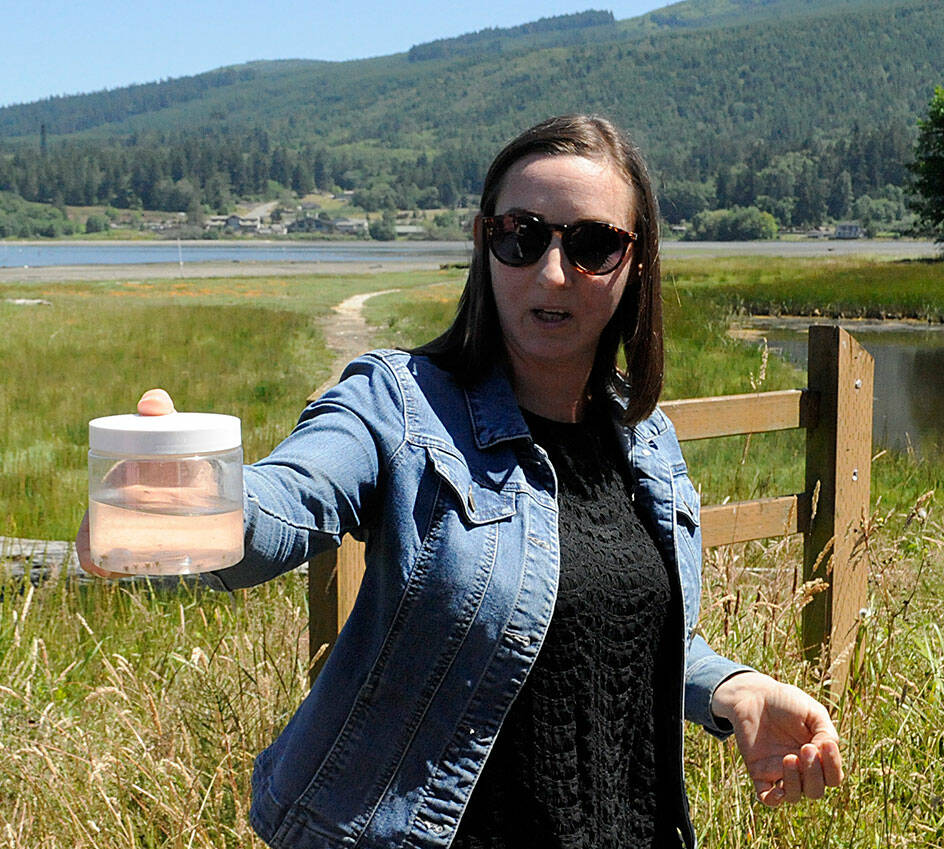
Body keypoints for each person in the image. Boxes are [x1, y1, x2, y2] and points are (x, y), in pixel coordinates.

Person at [77, 114, 844, 849]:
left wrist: (730, 688)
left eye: (592, 244)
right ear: (485, 243)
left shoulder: (646, 439)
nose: (551, 271)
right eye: (521, 237)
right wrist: (192, 500)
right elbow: (284, 505)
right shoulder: (398, 405)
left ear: (635, 261)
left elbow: (606, 625)